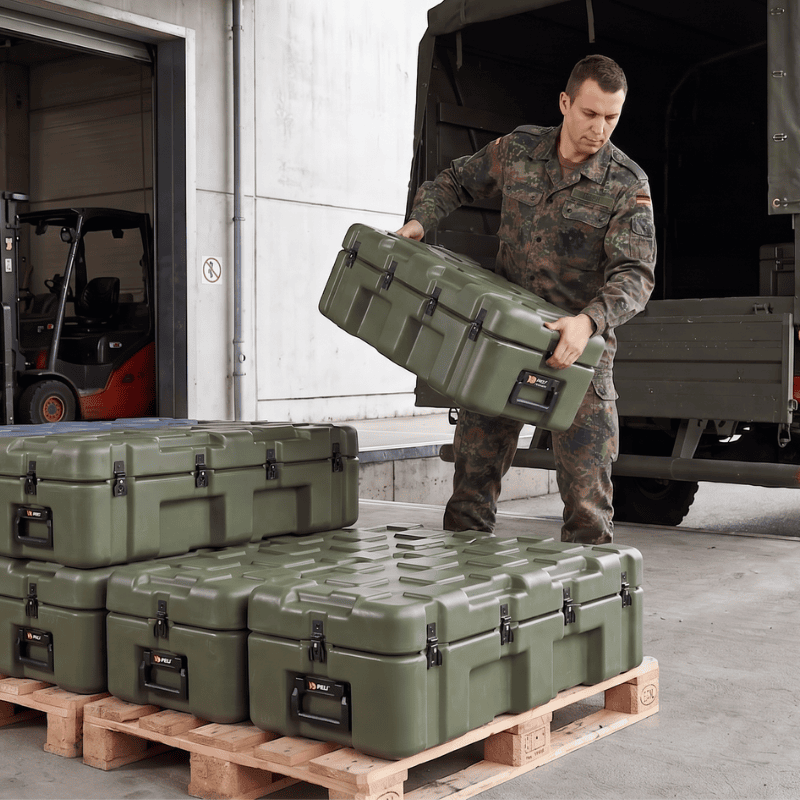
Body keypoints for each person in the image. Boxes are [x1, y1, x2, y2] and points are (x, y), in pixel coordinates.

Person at [396, 55, 655, 545]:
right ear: (565, 103)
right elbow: (454, 180)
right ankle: (464, 602)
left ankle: (586, 615)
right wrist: (420, 222)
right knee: (471, 494)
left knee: (588, 511)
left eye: (612, 118)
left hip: (575, 352)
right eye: (590, 114)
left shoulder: (627, 184)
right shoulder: (518, 150)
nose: (600, 129)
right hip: (502, 342)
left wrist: (589, 321)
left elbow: (636, 275)